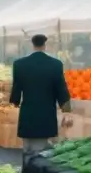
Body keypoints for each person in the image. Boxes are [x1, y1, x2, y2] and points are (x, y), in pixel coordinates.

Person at [10, 33, 73, 163]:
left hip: (28, 112)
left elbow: (16, 87)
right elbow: (61, 88)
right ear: (45, 45)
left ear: (32, 45)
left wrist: (15, 101)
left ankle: (26, 172)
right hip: (46, 112)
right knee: (42, 149)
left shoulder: (19, 64)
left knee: (27, 146)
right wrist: (66, 110)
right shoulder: (55, 64)